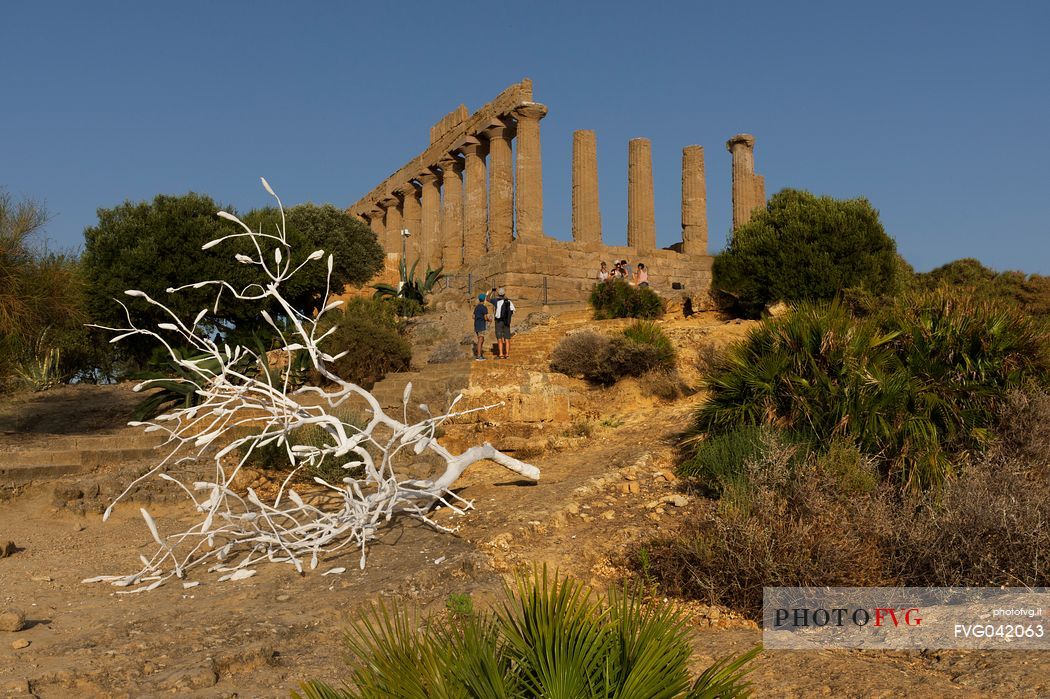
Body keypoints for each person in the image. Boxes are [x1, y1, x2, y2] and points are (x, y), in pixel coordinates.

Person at [492, 287, 515, 359]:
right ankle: (507, 354)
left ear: (498, 294)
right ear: (504, 294)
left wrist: (492, 291)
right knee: (507, 339)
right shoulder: (509, 301)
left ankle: (501, 354)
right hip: (507, 322)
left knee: (499, 338)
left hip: (498, 321)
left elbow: (487, 299)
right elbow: (513, 311)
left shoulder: (496, 301)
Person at [472, 293, 490, 360]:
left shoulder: (476, 307)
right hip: (481, 325)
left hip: (476, 325)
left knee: (481, 339)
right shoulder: (484, 307)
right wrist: (489, 319)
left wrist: (478, 317)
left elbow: (473, 316)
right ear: (484, 299)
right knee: (480, 340)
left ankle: (480, 355)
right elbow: (485, 318)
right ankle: (479, 356)